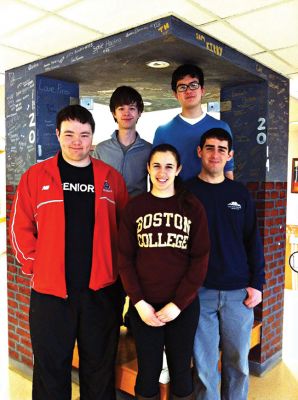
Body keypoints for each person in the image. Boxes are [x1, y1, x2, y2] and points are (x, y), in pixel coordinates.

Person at [9, 104, 128, 400]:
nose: (77, 141)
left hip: (101, 291)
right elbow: (19, 227)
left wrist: (120, 273)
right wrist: (37, 266)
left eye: (84, 135)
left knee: (99, 369)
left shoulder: (110, 179)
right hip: (51, 295)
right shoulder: (36, 176)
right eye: (70, 134)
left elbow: (125, 231)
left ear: (92, 138)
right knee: (51, 369)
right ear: (58, 135)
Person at [118, 144, 210, 400]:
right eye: (156, 165)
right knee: (147, 371)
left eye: (169, 166)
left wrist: (178, 304)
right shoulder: (134, 208)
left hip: (182, 307)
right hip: (144, 307)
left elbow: (200, 258)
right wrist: (138, 303)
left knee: (181, 371)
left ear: (178, 169)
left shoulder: (192, 207)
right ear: (148, 168)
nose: (162, 172)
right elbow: (124, 259)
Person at [185, 128, 265, 400]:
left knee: (238, 365)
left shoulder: (239, 194)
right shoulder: (185, 192)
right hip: (199, 292)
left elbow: (253, 240)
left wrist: (256, 284)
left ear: (230, 155)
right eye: (209, 148)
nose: (215, 154)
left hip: (237, 295)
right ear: (199, 152)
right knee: (204, 368)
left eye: (221, 149)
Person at [153, 64, 234, 181]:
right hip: (176, 197)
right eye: (182, 87)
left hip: (212, 196)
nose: (188, 91)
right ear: (175, 94)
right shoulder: (163, 131)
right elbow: (156, 173)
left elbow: (228, 171)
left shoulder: (221, 127)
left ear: (202, 90)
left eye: (193, 85)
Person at [93, 85, 152, 197]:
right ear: (114, 113)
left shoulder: (149, 150)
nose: (126, 113)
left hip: (137, 210)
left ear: (139, 112)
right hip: (108, 210)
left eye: (132, 108)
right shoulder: (101, 149)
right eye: (121, 108)